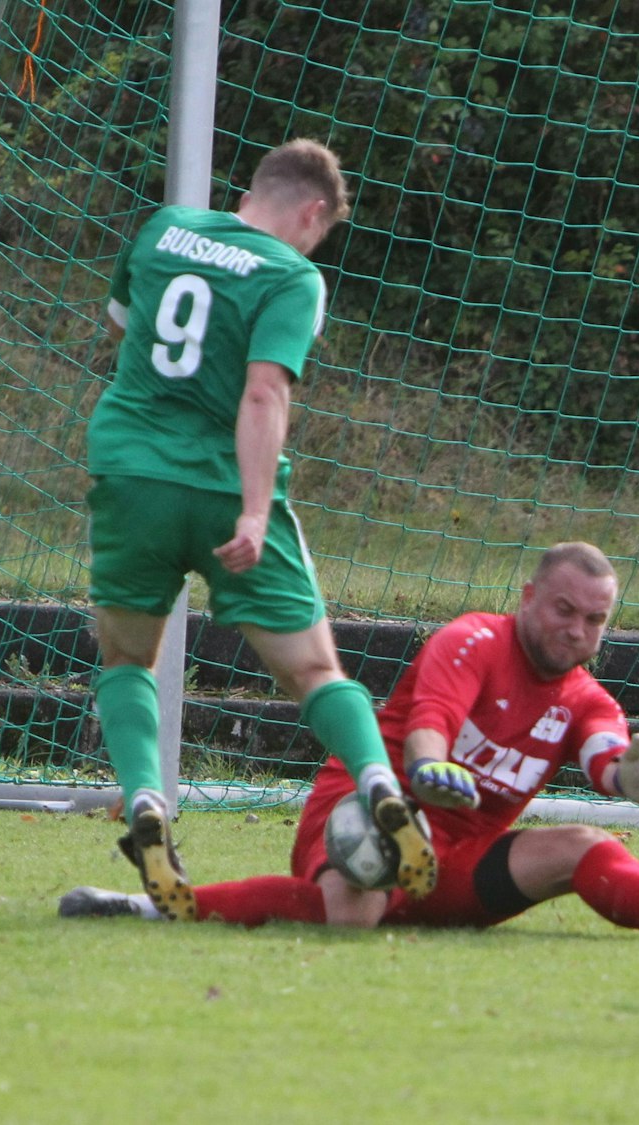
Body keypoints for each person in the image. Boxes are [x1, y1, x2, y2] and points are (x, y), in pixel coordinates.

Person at [61, 542, 639, 946]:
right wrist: (427, 767)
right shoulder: (473, 640)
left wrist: (623, 774)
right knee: (356, 911)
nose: (578, 630)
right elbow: (431, 720)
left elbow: (602, 747)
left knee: (582, 844)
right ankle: (159, 906)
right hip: (369, 808)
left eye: (595, 620)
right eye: (565, 610)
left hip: (456, 865)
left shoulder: (587, 694)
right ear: (530, 597)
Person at [84, 140, 432, 922]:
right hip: (221, 490)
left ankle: (144, 797)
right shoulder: (292, 276)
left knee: (127, 657)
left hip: (132, 471)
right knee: (313, 671)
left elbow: (121, 331)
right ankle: (378, 780)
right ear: (312, 213)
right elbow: (264, 394)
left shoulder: (164, 228)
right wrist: (251, 510)